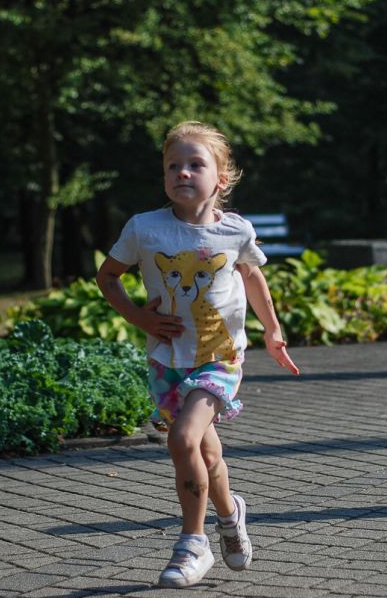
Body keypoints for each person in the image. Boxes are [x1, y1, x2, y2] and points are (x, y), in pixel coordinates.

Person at [96, 120, 299, 588]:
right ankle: (230, 514)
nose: (182, 173)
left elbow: (251, 276)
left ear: (220, 179)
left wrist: (273, 330)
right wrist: (139, 317)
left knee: (183, 440)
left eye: (195, 164)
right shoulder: (145, 229)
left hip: (220, 358)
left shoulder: (235, 231)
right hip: (167, 359)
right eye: (173, 166)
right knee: (206, 455)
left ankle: (193, 544)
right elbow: (108, 277)